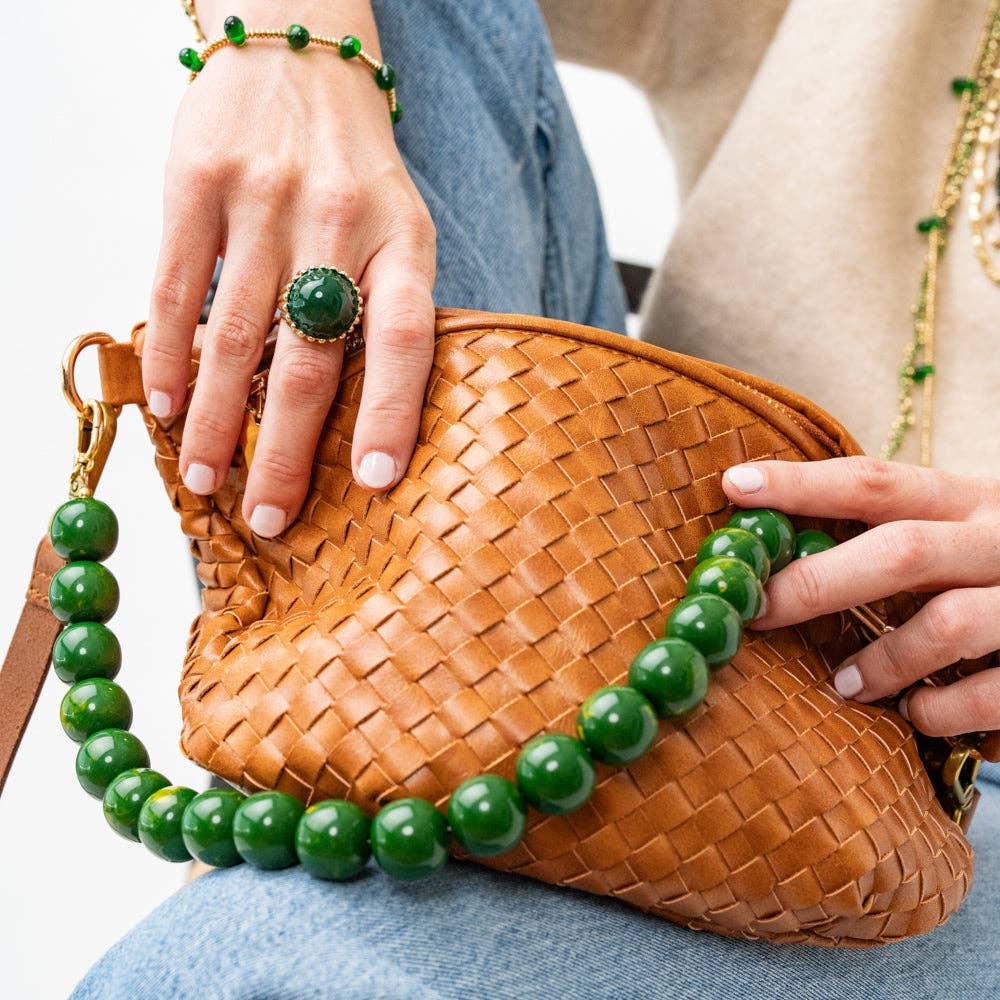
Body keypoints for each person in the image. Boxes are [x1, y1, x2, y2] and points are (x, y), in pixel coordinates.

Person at [71, 0, 1000, 996]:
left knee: (243, 962)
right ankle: (337, 735)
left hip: (943, 755)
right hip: (585, 556)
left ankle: (324, 796)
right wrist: (284, 50)